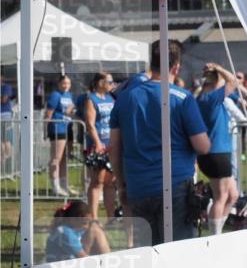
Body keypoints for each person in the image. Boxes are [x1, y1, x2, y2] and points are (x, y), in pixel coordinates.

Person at [110, 40, 211, 245]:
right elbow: (203, 146)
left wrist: (121, 184)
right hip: (174, 187)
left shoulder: (125, 98)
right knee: (178, 255)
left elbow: (114, 148)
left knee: (147, 257)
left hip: (138, 187)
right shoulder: (183, 97)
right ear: (176, 67)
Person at [196, 63, 241, 236]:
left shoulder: (203, 98)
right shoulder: (210, 98)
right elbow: (234, 81)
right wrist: (219, 68)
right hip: (216, 153)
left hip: (216, 153)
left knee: (233, 195)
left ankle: (218, 231)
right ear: (216, 83)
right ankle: (215, 237)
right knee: (220, 197)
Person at [82, 73, 117, 222]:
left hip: (111, 143)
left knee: (110, 182)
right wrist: (97, 143)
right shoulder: (91, 99)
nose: (111, 83)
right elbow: (90, 124)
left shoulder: (111, 98)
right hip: (98, 145)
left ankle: (111, 217)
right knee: (97, 181)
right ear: (100, 82)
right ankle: (94, 218)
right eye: (109, 81)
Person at [45, 200, 110, 262]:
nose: (87, 227)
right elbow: (83, 258)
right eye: (85, 223)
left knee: (95, 229)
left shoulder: (76, 228)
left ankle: (108, 262)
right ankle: (108, 263)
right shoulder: (64, 232)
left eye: (88, 222)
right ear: (74, 219)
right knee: (94, 230)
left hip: (70, 264)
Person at [45, 75, 76, 196]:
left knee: (64, 158)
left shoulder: (69, 95)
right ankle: (55, 186)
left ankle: (64, 184)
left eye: (68, 83)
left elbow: (70, 111)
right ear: (59, 84)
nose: (66, 86)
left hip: (68, 127)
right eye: (64, 83)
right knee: (56, 158)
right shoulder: (55, 95)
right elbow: (48, 114)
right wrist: (46, 130)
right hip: (58, 128)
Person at [0, 76, 14, 166]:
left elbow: (4, 99)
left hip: (4, 115)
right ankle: (2, 160)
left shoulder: (6, 87)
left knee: (6, 139)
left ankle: (7, 159)